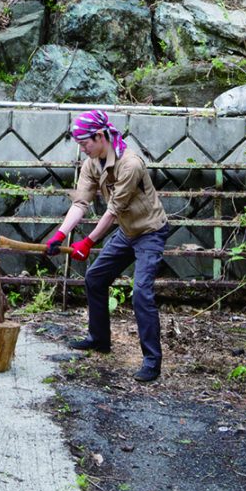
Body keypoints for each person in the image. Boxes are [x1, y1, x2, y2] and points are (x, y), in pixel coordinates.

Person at [46, 108, 170, 382]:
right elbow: (81, 203)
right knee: (95, 278)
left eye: (85, 143)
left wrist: (88, 241)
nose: (83, 149)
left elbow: (113, 210)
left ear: (100, 136)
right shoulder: (91, 163)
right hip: (128, 231)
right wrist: (60, 235)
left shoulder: (131, 164)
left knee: (141, 293)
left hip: (150, 231)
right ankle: (99, 339)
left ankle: (152, 361)